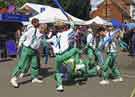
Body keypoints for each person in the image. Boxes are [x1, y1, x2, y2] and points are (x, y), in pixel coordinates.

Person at [10, 18, 48, 88]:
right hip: (27, 48)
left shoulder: (42, 35)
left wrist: (40, 51)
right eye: (44, 29)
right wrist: (19, 45)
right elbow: (23, 37)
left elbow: (40, 43)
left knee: (35, 64)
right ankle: (14, 78)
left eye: (45, 30)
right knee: (21, 64)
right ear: (41, 27)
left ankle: (34, 78)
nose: (44, 31)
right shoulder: (32, 30)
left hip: (34, 51)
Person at [47, 19, 81, 91]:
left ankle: (60, 85)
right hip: (65, 54)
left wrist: (49, 43)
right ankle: (77, 65)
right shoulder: (66, 33)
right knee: (75, 50)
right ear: (63, 27)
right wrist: (71, 22)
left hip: (58, 56)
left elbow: (46, 41)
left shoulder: (54, 37)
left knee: (58, 71)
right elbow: (72, 28)